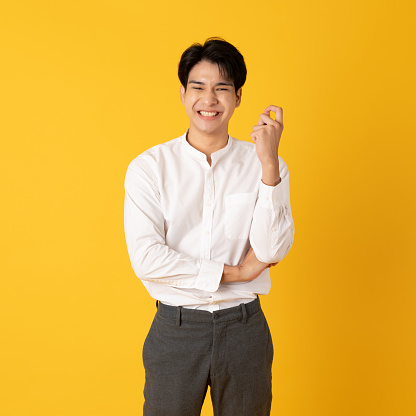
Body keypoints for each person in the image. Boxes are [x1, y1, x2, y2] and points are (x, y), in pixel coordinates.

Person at [124, 37, 295, 416]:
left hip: (245, 329)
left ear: (237, 97)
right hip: (176, 328)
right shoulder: (149, 168)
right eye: (198, 87)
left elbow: (272, 249)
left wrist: (269, 164)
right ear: (183, 94)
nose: (209, 99)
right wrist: (236, 271)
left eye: (222, 88)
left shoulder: (267, 165)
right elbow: (147, 259)